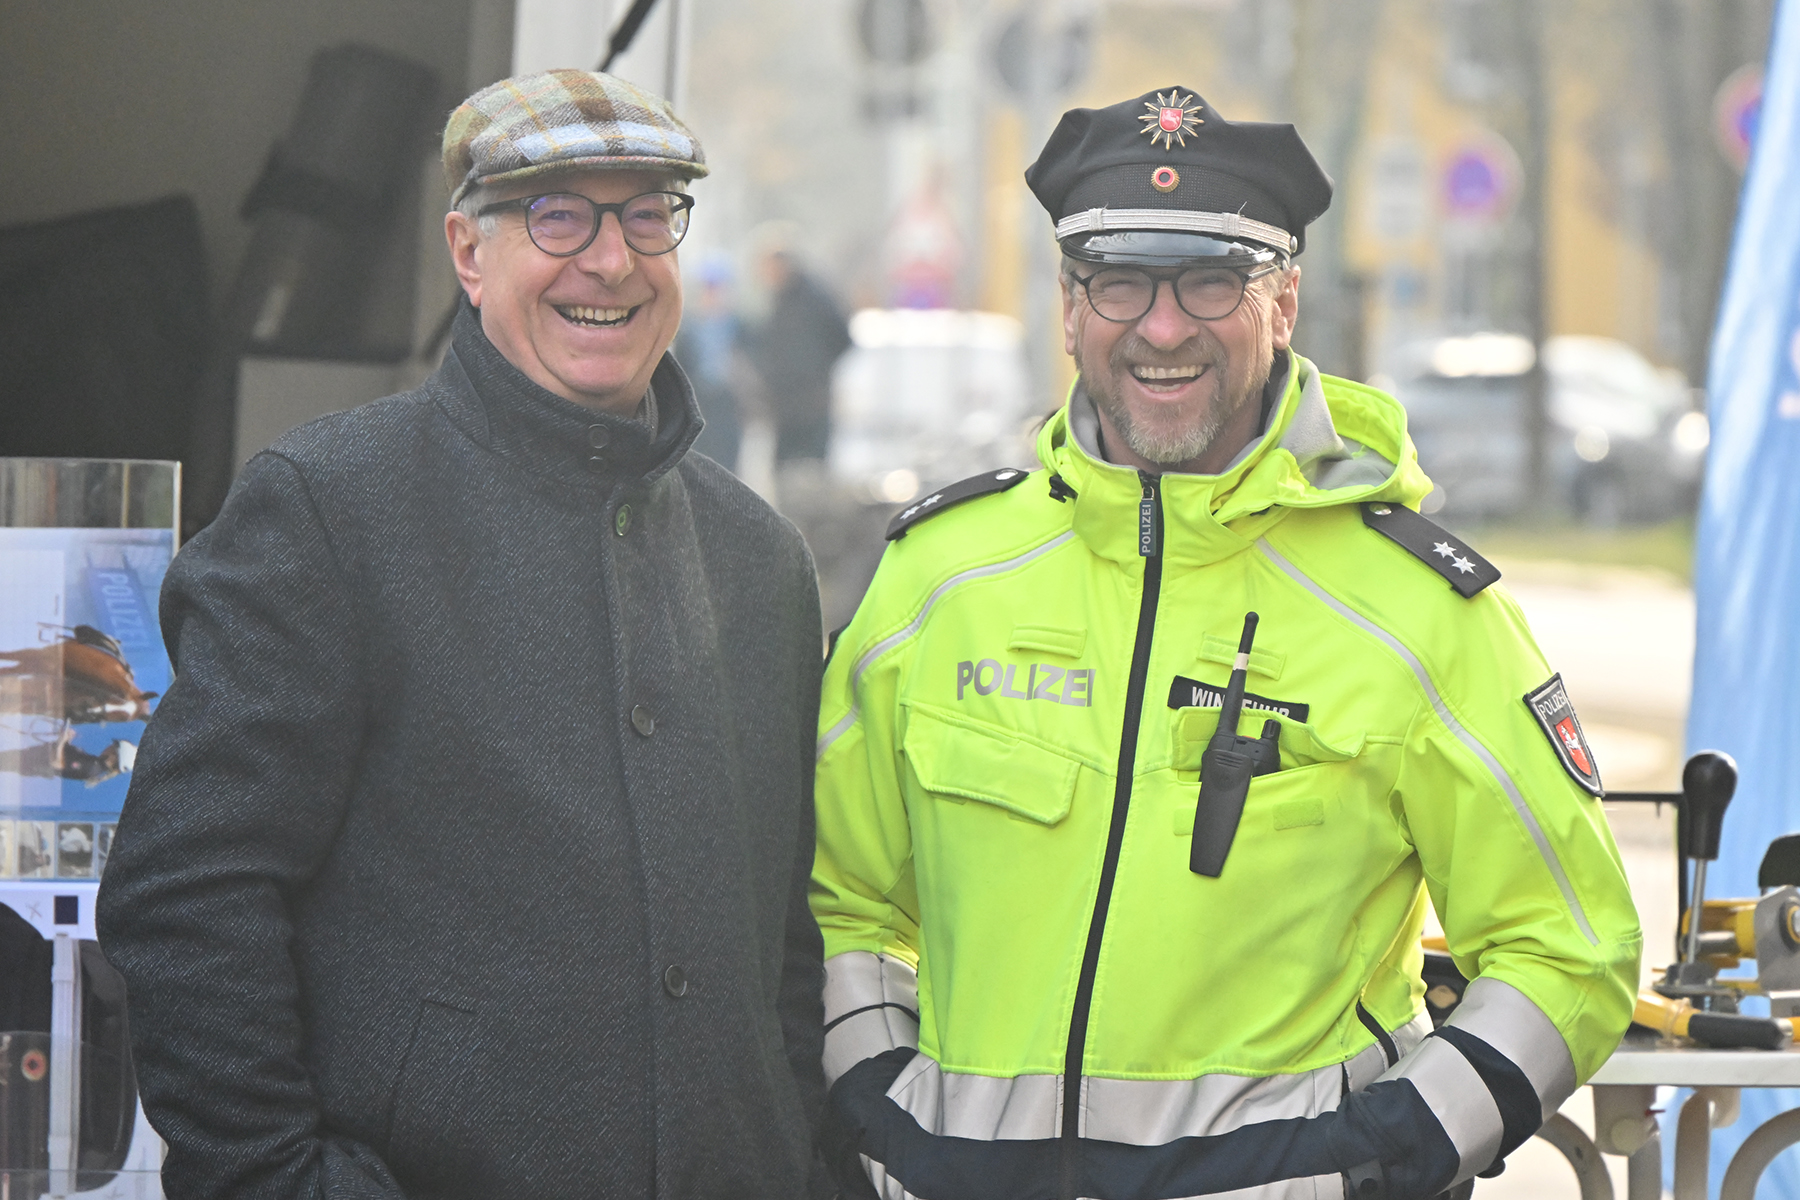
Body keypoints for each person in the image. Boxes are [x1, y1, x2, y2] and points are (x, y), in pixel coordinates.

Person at [810, 87, 1640, 1200]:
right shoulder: (937, 577)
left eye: (1212, 281)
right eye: (1120, 282)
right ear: (1070, 307)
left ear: (1283, 301)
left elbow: (1569, 947)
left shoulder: (1418, 613)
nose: (1163, 329)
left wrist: (1380, 1159)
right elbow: (840, 900)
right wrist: (881, 1111)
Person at [97, 70, 827, 1200]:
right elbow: (186, 892)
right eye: (558, 216)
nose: (612, 260)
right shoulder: (330, 509)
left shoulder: (760, 559)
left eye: (648, 214)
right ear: (468, 253)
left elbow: (780, 949)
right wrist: (278, 1181)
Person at [743, 234, 851, 463]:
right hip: (783, 405)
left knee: (811, 467)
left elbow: (842, 337)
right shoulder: (777, 301)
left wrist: (817, 370)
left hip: (812, 403)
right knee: (784, 468)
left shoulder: (815, 297)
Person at [675, 253, 744, 470]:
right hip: (700, 399)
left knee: (728, 456)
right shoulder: (688, 327)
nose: (713, 294)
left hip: (730, 400)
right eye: (708, 288)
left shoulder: (739, 325)